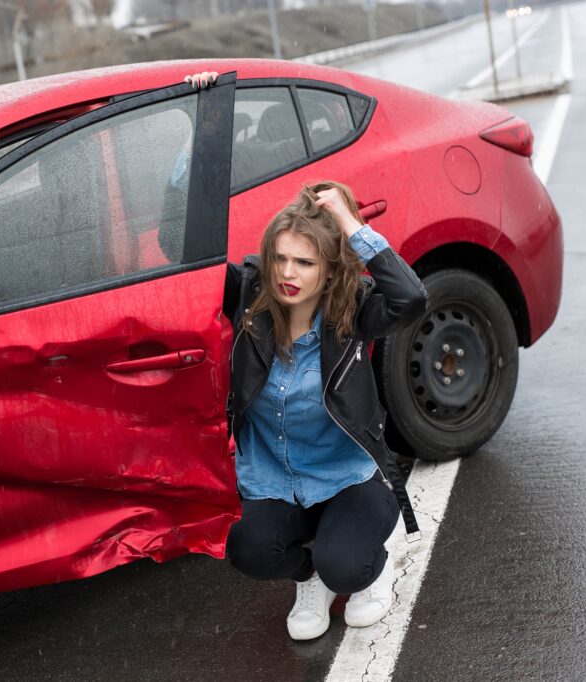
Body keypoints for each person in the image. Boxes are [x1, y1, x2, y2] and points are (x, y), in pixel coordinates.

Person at [187, 72, 428, 641]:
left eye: (305, 263)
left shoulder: (353, 311)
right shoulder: (249, 298)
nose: (288, 274)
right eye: (281, 259)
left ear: (329, 270)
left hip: (347, 480)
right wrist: (208, 118)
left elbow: (411, 298)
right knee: (244, 548)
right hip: (275, 482)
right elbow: (194, 243)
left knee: (348, 564)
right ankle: (310, 576)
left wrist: (350, 223)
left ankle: (367, 570)